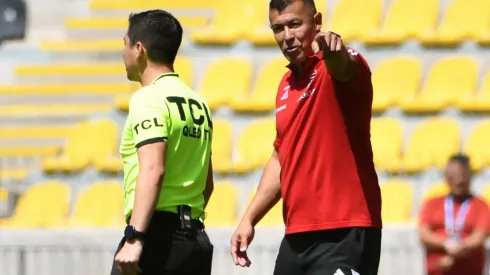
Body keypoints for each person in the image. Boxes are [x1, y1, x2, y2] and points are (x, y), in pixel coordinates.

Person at [230, 0, 382, 274]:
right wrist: (249, 218)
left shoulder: (340, 62)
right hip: (296, 236)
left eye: (294, 24)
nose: (287, 36)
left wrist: (333, 52)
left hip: (345, 230)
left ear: (317, 22)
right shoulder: (285, 85)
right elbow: (280, 156)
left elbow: (343, 67)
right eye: (278, 28)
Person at [111, 10, 214, 275]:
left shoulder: (148, 99)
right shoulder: (198, 103)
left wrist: (135, 236)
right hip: (195, 242)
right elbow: (207, 184)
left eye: (125, 43)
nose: (122, 53)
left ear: (139, 48)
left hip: (157, 240)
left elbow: (153, 169)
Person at [418, 153, 490, 275]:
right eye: (452, 176)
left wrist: (455, 254)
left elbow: (479, 237)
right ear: (446, 177)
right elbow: (424, 234)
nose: (458, 180)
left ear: (469, 176)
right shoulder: (432, 203)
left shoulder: (481, 205)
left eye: (462, 175)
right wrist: (445, 243)